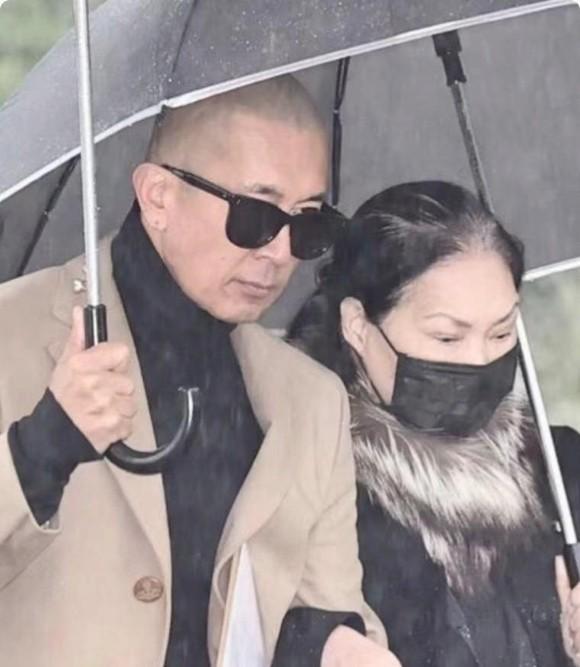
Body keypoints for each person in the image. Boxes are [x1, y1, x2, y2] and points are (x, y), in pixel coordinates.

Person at [0, 76, 400, 666]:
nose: (279, 252)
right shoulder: (12, 332)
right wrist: (39, 449)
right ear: (158, 196)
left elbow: (325, 603)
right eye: (255, 216)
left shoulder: (311, 400)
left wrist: (333, 644)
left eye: (308, 224)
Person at [289, 180, 580, 667]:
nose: (479, 360)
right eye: (447, 338)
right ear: (357, 325)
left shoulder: (557, 470)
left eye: (501, 331)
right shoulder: (308, 492)